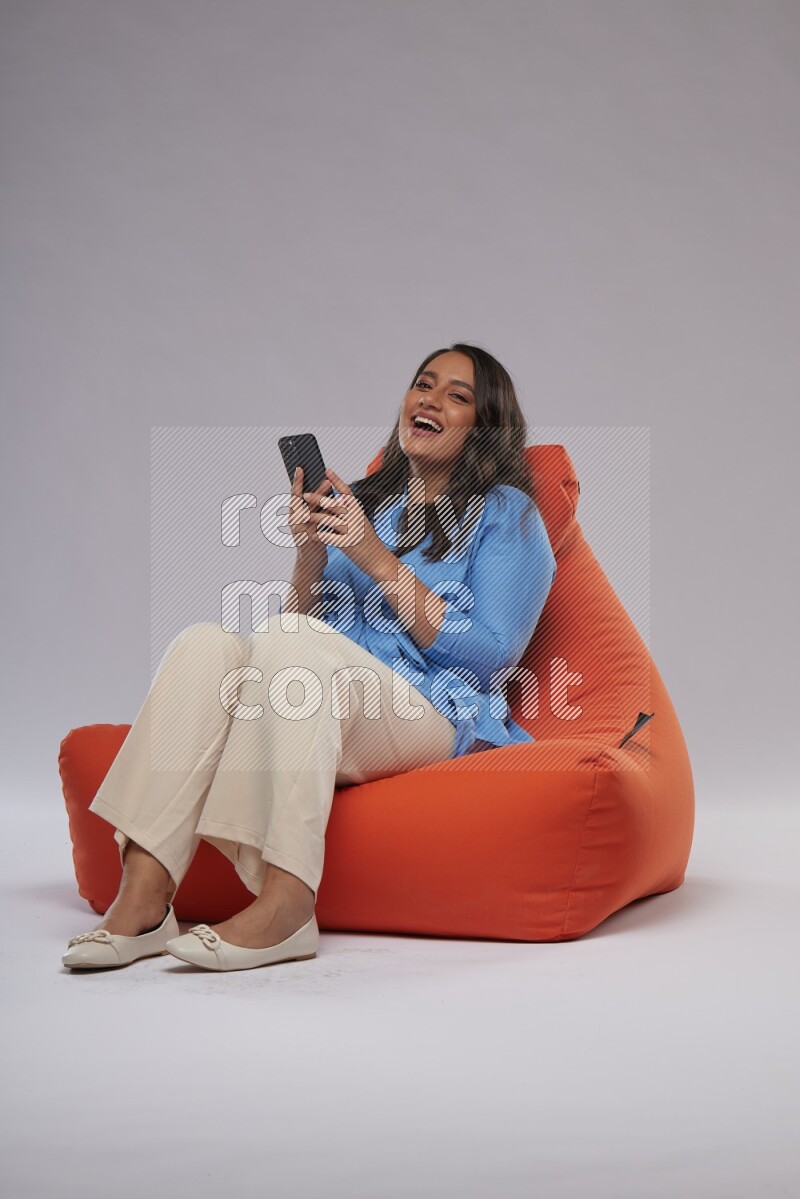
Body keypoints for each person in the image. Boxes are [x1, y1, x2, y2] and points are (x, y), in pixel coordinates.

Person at [62, 343, 557, 972]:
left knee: (292, 650)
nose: (429, 400)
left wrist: (377, 560)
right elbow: (294, 633)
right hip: (333, 698)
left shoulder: (509, 516)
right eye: (422, 384)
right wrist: (309, 557)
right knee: (204, 645)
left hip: (435, 709)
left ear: (485, 427)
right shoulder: (369, 502)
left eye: (456, 396)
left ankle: (288, 900)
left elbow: (493, 654)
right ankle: (145, 897)